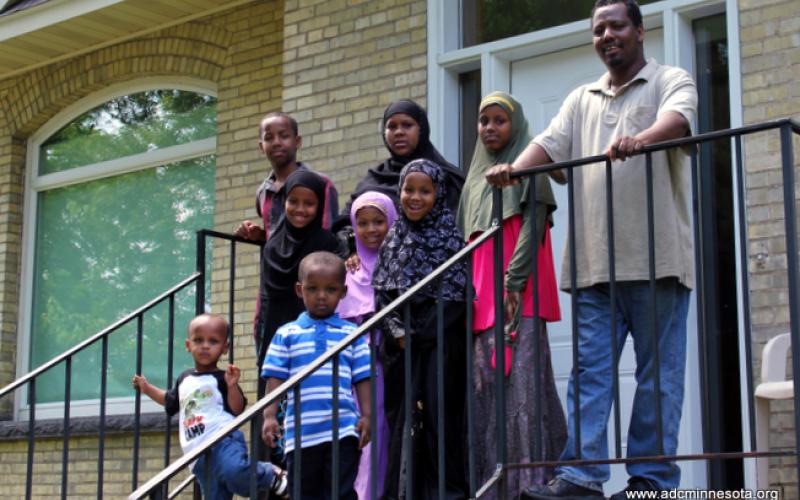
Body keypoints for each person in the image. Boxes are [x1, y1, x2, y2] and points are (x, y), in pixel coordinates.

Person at [486, 1, 697, 498]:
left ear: (640, 30)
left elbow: (679, 119)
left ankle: (652, 481)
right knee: (590, 375)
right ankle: (581, 477)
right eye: (598, 29)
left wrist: (640, 139)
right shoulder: (582, 97)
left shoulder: (670, 77)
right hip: (591, 266)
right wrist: (515, 166)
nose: (606, 35)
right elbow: (550, 144)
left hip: (658, 259)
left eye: (616, 25)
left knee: (657, 378)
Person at [456, 91, 566, 498]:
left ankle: (531, 485)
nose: (490, 128)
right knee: (489, 394)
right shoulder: (473, 182)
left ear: (515, 126)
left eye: (499, 120)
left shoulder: (527, 167)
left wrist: (513, 282)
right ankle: (495, 487)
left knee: (524, 389)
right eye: (484, 121)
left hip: (516, 292)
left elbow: (534, 221)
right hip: (482, 300)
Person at [372, 159, 469, 500]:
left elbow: (458, 297)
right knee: (403, 421)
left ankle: (447, 493)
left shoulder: (450, 241)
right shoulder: (393, 242)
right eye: (408, 190)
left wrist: (424, 333)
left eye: (424, 191)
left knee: (440, 419)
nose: (415, 197)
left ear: (439, 194)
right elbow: (383, 296)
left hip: (439, 343)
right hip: (400, 348)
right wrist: (397, 330)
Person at [132, 314, 288, 499]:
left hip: (222, 441)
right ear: (188, 345)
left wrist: (231, 386)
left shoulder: (222, 378)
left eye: (213, 341)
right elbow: (168, 400)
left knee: (235, 473)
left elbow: (237, 410)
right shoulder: (184, 379)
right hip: (197, 456)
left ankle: (270, 473)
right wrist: (147, 388)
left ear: (225, 348)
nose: (205, 346)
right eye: (198, 340)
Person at [261, 251, 372, 499]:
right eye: (313, 289)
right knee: (304, 493)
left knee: (340, 492)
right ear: (300, 290)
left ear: (343, 293)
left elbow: (363, 377)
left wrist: (367, 415)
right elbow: (275, 379)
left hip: (343, 430)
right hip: (301, 434)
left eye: (330, 290)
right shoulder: (286, 334)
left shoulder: (352, 333)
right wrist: (269, 416)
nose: (321, 296)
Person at [235, 112, 339, 347]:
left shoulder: (319, 183)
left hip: (308, 285)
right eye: (269, 137)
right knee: (270, 348)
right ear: (261, 146)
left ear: (297, 141)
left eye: (284, 136)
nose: (277, 142)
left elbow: (326, 237)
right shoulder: (263, 191)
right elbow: (278, 235)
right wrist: (259, 235)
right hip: (273, 283)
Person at [334, 100, 465, 264]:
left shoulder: (444, 177)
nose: (399, 132)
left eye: (407, 125)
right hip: (372, 275)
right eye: (392, 127)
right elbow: (345, 224)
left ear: (421, 129)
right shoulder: (373, 180)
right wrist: (353, 249)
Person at [336, 191, 398, 499]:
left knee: (377, 430)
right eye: (362, 223)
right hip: (350, 367)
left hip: (382, 364)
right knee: (351, 429)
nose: (371, 229)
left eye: (379, 222)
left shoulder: (401, 261)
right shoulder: (348, 270)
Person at [256, 169, 342, 360]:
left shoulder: (327, 244)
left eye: (309, 203)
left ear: (319, 205)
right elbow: (267, 301)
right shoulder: (272, 246)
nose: (300, 209)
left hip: (316, 336)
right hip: (277, 336)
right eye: (293, 201)